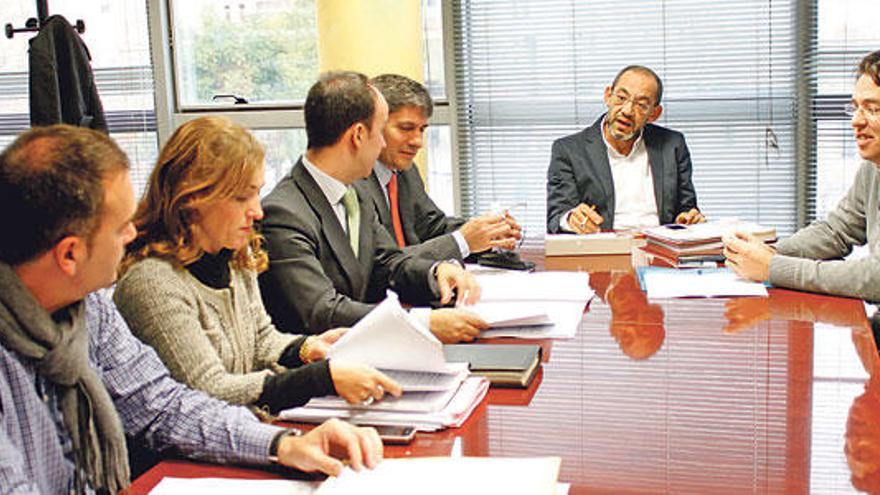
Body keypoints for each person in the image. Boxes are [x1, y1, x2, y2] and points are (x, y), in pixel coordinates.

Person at [0, 125, 382, 493]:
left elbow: (162, 405)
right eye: (119, 228)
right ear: (70, 254)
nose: (131, 234)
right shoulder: (137, 285)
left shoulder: (89, 309)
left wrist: (282, 444)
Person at [113, 116, 400, 416]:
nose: (257, 211)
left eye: (257, 192)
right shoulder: (152, 283)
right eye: (241, 197)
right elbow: (208, 389)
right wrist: (321, 379)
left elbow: (260, 339)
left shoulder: (234, 255)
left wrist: (306, 348)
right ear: (193, 198)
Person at [260, 71, 484, 343]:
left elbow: (387, 263)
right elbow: (321, 311)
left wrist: (434, 271)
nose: (381, 144)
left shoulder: (354, 193)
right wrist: (422, 323)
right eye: (379, 132)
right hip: (319, 371)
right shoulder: (283, 213)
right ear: (358, 135)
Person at [724, 51, 880, 302]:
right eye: (855, 108)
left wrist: (774, 267)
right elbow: (835, 233)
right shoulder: (872, 169)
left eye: (872, 109)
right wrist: (762, 253)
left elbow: (875, 278)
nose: (856, 121)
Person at [359, 73, 522, 261]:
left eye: (422, 129)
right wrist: (463, 241)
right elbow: (382, 262)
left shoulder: (406, 172)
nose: (417, 142)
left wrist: (488, 232)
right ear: (374, 126)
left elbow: (432, 228)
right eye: (406, 128)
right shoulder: (353, 180)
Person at [546, 65, 704, 234]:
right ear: (608, 96)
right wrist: (571, 219)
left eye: (641, 105)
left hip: (659, 249)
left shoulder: (673, 145)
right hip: (603, 249)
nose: (627, 111)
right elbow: (557, 217)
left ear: (654, 114)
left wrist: (689, 218)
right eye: (621, 98)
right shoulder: (569, 150)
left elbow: (687, 209)